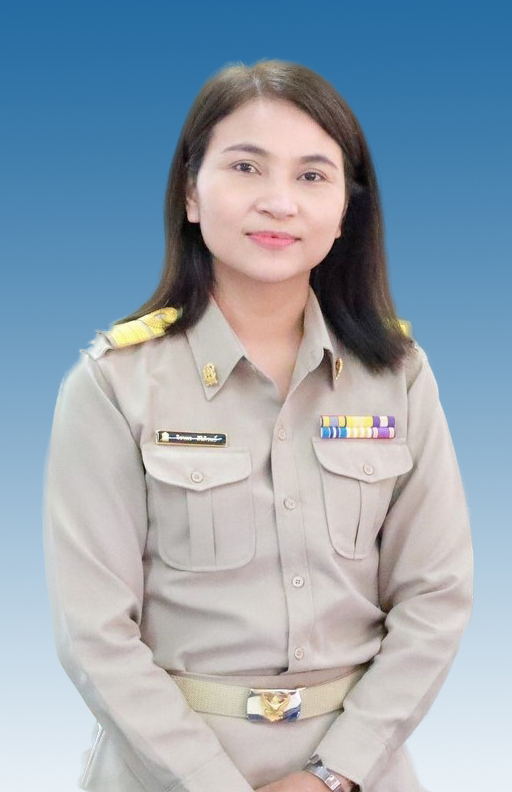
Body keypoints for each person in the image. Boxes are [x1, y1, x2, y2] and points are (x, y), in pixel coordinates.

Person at [43, 59, 473, 792]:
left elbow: (436, 596)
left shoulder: (397, 376)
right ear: (190, 193)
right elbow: (94, 633)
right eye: (246, 167)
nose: (279, 202)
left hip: (358, 770)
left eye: (312, 175)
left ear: (346, 209)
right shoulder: (113, 384)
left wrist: (333, 774)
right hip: (165, 769)